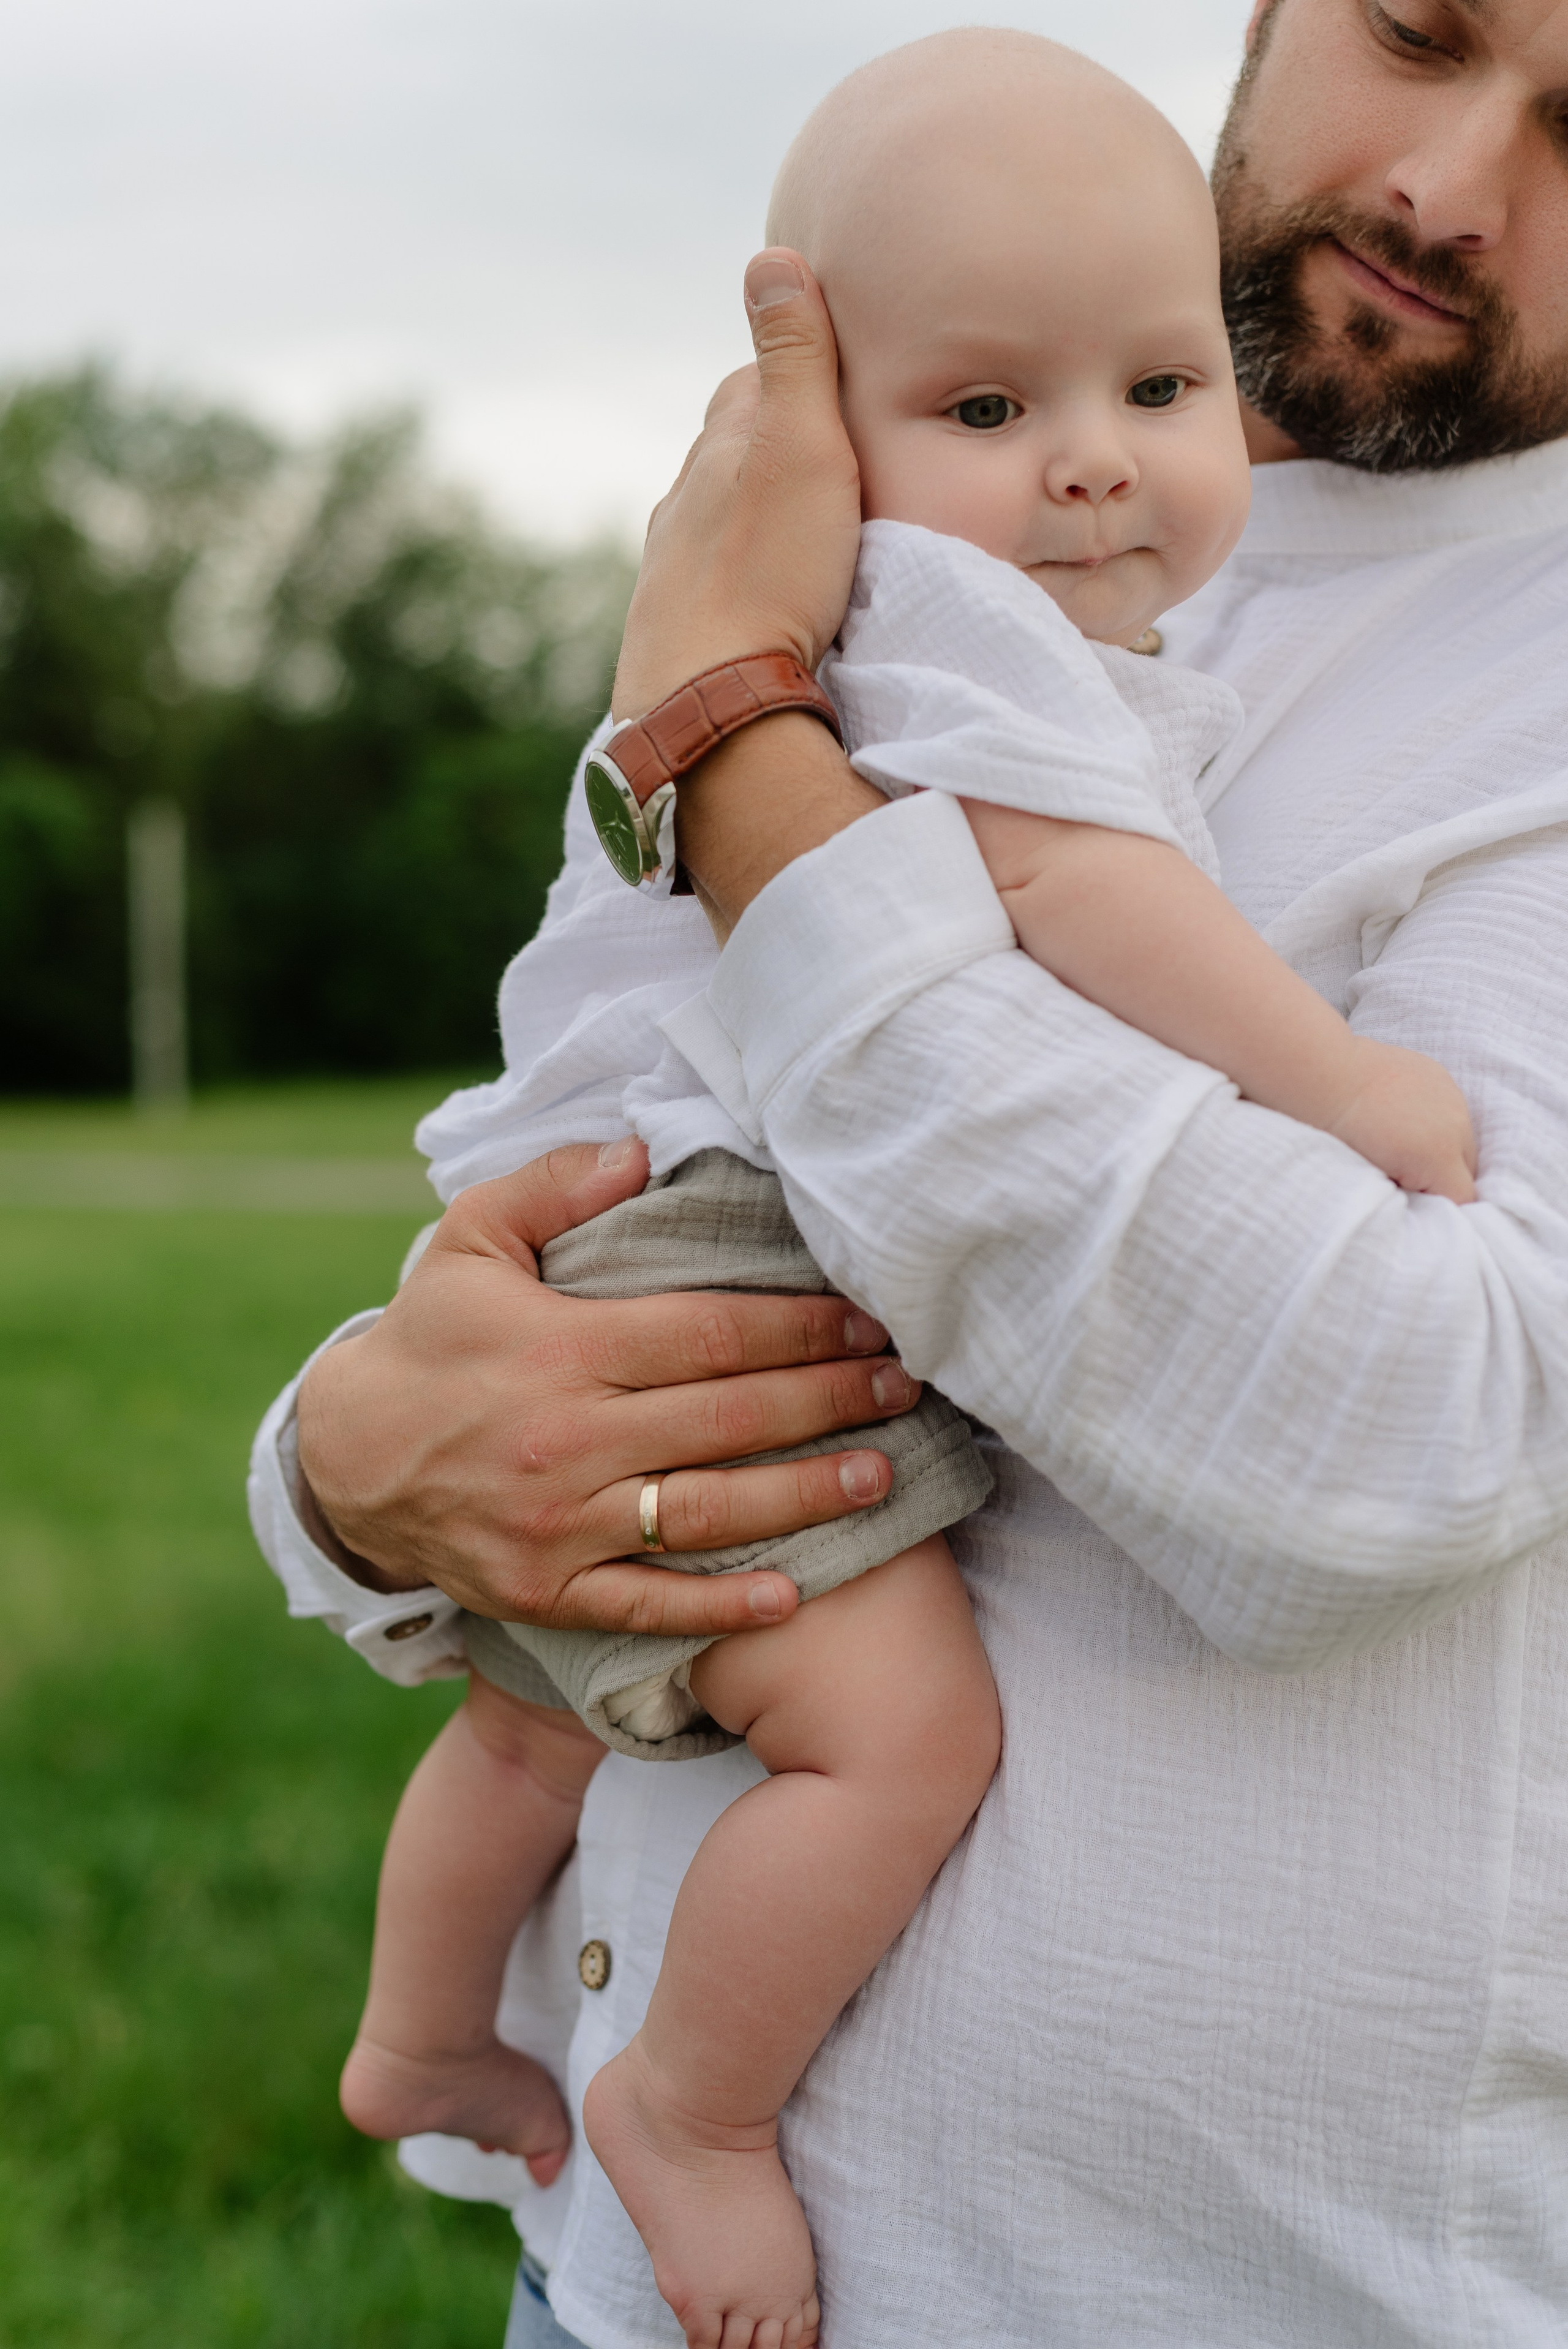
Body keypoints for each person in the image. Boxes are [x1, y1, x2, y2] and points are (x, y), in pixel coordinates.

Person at [251, 1, 1568, 2340]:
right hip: (627, 2287)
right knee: (566, 1710)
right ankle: (532, 2063)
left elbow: (1395, 1433)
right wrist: (351, 1467)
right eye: (1419, 28)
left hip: (1202, 2293)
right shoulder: (906, 535)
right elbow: (598, 1127)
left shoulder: (827, 598)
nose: (1451, 188)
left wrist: (741, 745)